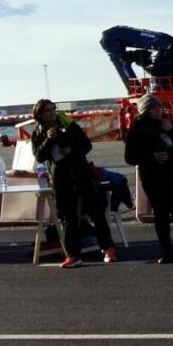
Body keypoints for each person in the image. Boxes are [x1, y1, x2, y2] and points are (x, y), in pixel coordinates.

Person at [31, 99, 117, 267]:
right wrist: (48, 140)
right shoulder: (38, 133)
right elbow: (39, 157)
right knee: (68, 217)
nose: (51, 113)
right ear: (39, 115)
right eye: (46, 111)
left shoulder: (68, 125)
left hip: (81, 173)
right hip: (60, 178)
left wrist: (71, 149)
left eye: (52, 109)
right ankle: (73, 255)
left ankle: (108, 248)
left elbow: (86, 145)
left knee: (96, 212)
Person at [125, 94, 173, 264]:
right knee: (161, 214)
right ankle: (167, 252)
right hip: (153, 175)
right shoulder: (137, 129)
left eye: (159, 107)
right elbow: (130, 157)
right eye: (153, 108)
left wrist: (171, 129)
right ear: (144, 111)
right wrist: (151, 157)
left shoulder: (169, 124)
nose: (158, 111)